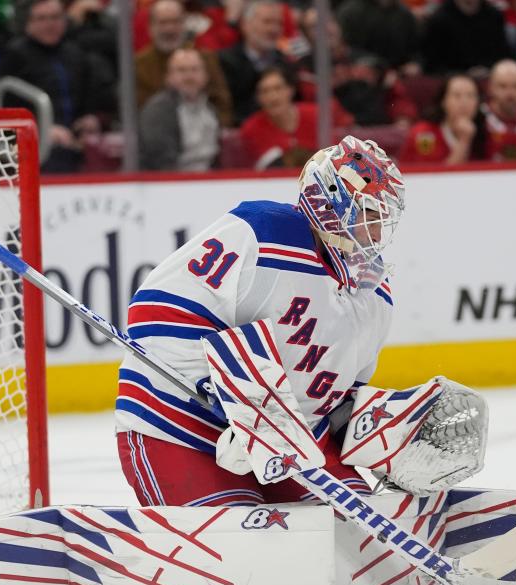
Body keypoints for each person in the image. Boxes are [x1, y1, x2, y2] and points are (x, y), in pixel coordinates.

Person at [115, 136, 404, 508]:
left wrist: (390, 433)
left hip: (290, 447)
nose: (378, 235)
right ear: (333, 202)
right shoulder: (263, 233)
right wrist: (228, 402)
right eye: (368, 215)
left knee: (363, 533)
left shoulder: (375, 297)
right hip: (182, 427)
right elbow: (156, 310)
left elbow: (339, 402)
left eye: (383, 220)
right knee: (241, 548)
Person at [0, 0, 114, 173]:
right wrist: (42, 129)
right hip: (29, 147)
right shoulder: (15, 55)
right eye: (42, 18)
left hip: (75, 143)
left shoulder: (76, 53)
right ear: (29, 23)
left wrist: (91, 118)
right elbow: (6, 106)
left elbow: (96, 96)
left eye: (55, 18)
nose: (49, 24)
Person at [135, 0, 234, 127]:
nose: (169, 29)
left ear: (185, 24)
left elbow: (222, 104)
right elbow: (137, 109)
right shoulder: (139, 64)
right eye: (163, 22)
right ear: (150, 26)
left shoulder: (206, 58)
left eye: (175, 21)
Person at [239, 66, 352, 170]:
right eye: (265, 91)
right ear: (258, 98)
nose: (272, 97)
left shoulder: (317, 116)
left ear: (291, 90)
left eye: (278, 88)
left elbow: (338, 156)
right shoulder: (252, 129)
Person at [139, 48, 221, 172]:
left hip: (207, 180)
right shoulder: (158, 111)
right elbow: (161, 161)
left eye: (195, 70)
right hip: (170, 182)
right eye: (181, 70)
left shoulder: (210, 109)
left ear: (206, 76)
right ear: (169, 77)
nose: (189, 76)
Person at [218, 0, 289, 125]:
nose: (274, 29)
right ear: (245, 25)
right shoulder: (225, 62)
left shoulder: (286, 63)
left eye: (279, 23)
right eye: (267, 22)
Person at [399, 73, 486, 165]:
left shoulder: (487, 131)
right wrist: (464, 141)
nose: (464, 102)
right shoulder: (422, 133)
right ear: (443, 101)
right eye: (457, 96)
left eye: (471, 96)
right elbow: (436, 177)